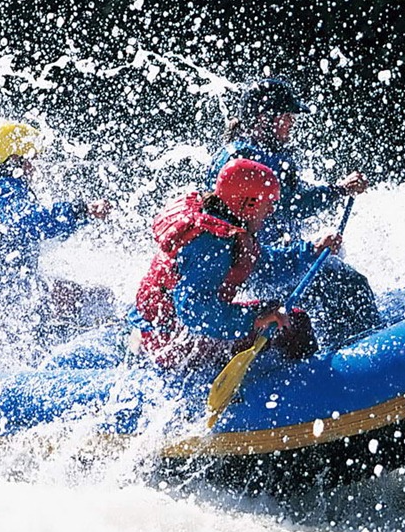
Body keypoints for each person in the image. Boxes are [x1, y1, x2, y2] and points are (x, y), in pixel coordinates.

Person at [208, 78, 379, 348]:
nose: (292, 124)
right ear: (263, 119)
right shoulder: (247, 161)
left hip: (266, 261)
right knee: (350, 284)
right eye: (286, 117)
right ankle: (365, 354)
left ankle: (342, 343)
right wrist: (339, 190)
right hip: (262, 269)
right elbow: (293, 204)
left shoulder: (257, 152)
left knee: (336, 275)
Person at [131, 158, 328, 373]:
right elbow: (193, 310)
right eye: (268, 203)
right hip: (170, 342)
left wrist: (312, 251)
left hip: (158, 329)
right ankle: (303, 390)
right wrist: (254, 319)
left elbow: (264, 265)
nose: (271, 210)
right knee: (294, 322)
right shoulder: (213, 245)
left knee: (277, 312)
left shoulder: (222, 221)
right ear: (248, 203)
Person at [0, 121, 115, 347]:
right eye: (31, 158)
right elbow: (29, 223)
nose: (35, 166)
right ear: (15, 159)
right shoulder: (6, 189)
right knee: (99, 298)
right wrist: (79, 210)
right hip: (12, 298)